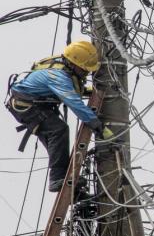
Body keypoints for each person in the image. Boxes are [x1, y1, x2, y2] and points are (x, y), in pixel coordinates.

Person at [5, 41, 113, 192]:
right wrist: (97, 125)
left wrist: (91, 92)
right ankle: (57, 179)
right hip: (26, 107)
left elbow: (71, 90)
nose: (86, 73)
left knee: (56, 141)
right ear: (73, 63)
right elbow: (73, 102)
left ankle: (70, 188)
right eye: (84, 69)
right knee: (58, 130)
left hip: (35, 104)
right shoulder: (58, 76)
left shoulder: (64, 68)